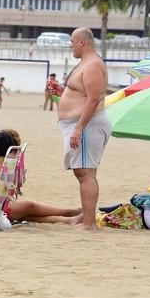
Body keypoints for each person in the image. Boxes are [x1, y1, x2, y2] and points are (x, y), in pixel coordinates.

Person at [58, 28, 111, 231]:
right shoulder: (85, 64)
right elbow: (81, 94)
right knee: (82, 172)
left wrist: (79, 128)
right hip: (81, 124)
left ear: (81, 42)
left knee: (86, 173)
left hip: (88, 125)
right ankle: (86, 218)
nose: (70, 45)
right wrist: (61, 93)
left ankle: (89, 224)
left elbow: (94, 98)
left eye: (72, 41)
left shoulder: (93, 65)